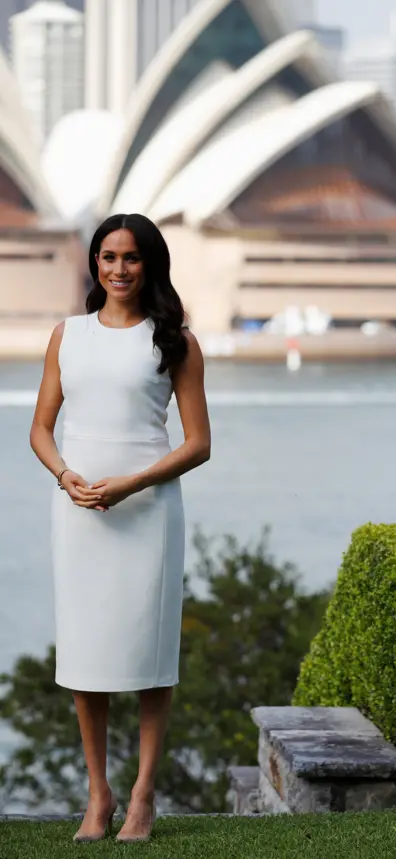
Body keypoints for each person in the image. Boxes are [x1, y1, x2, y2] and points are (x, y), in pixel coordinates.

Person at [30, 213, 211, 843]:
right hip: (78, 516)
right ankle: (98, 796)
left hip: (149, 514)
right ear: (95, 263)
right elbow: (41, 429)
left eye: (131, 258)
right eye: (108, 256)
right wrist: (65, 476)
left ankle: (142, 796)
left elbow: (199, 445)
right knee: (86, 657)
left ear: (150, 264)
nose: (118, 269)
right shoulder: (67, 334)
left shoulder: (176, 341)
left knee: (150, 657)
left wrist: (133, 483)